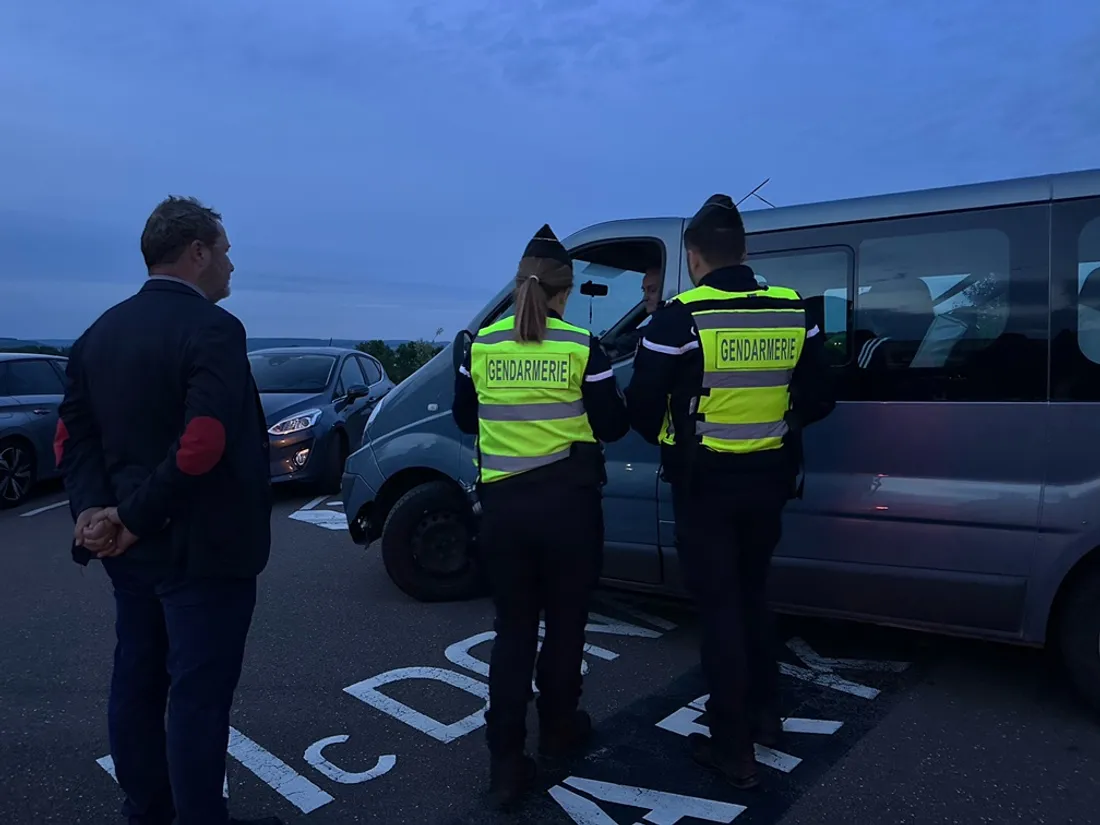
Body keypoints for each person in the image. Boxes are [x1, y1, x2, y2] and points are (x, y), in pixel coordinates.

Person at [56, 196, 280, 825]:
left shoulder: (97, 333)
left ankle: (146, 810)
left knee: (137, 680)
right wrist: (130, 517)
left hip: (130, 553)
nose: (232, 263)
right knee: (197, 699)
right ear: (198, 252)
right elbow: (204, 442)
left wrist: (95, 511)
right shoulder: (214, 329)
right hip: (202, 551)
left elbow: (73, 437)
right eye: (226, 248)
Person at [625, 194, 835, 789]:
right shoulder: (794, 309)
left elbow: (640, 408)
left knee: (719, 610)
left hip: (706, 485)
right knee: (752, 596)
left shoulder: (678, 317)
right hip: (769, 479)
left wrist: (677, 431)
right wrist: (776, 420)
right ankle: (766, 717)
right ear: (744, 251)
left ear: (693, 257)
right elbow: (820, 397)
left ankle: (733, 749)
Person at [452, 224, 630, 809]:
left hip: (504, 514)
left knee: (513, 635)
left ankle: (506, 763)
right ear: (566, 289)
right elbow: (612, 426)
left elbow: (463, 418)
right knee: (566, 626)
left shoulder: (479, 345)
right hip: (569, 510)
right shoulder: (582, 346)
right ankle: (558, 728)